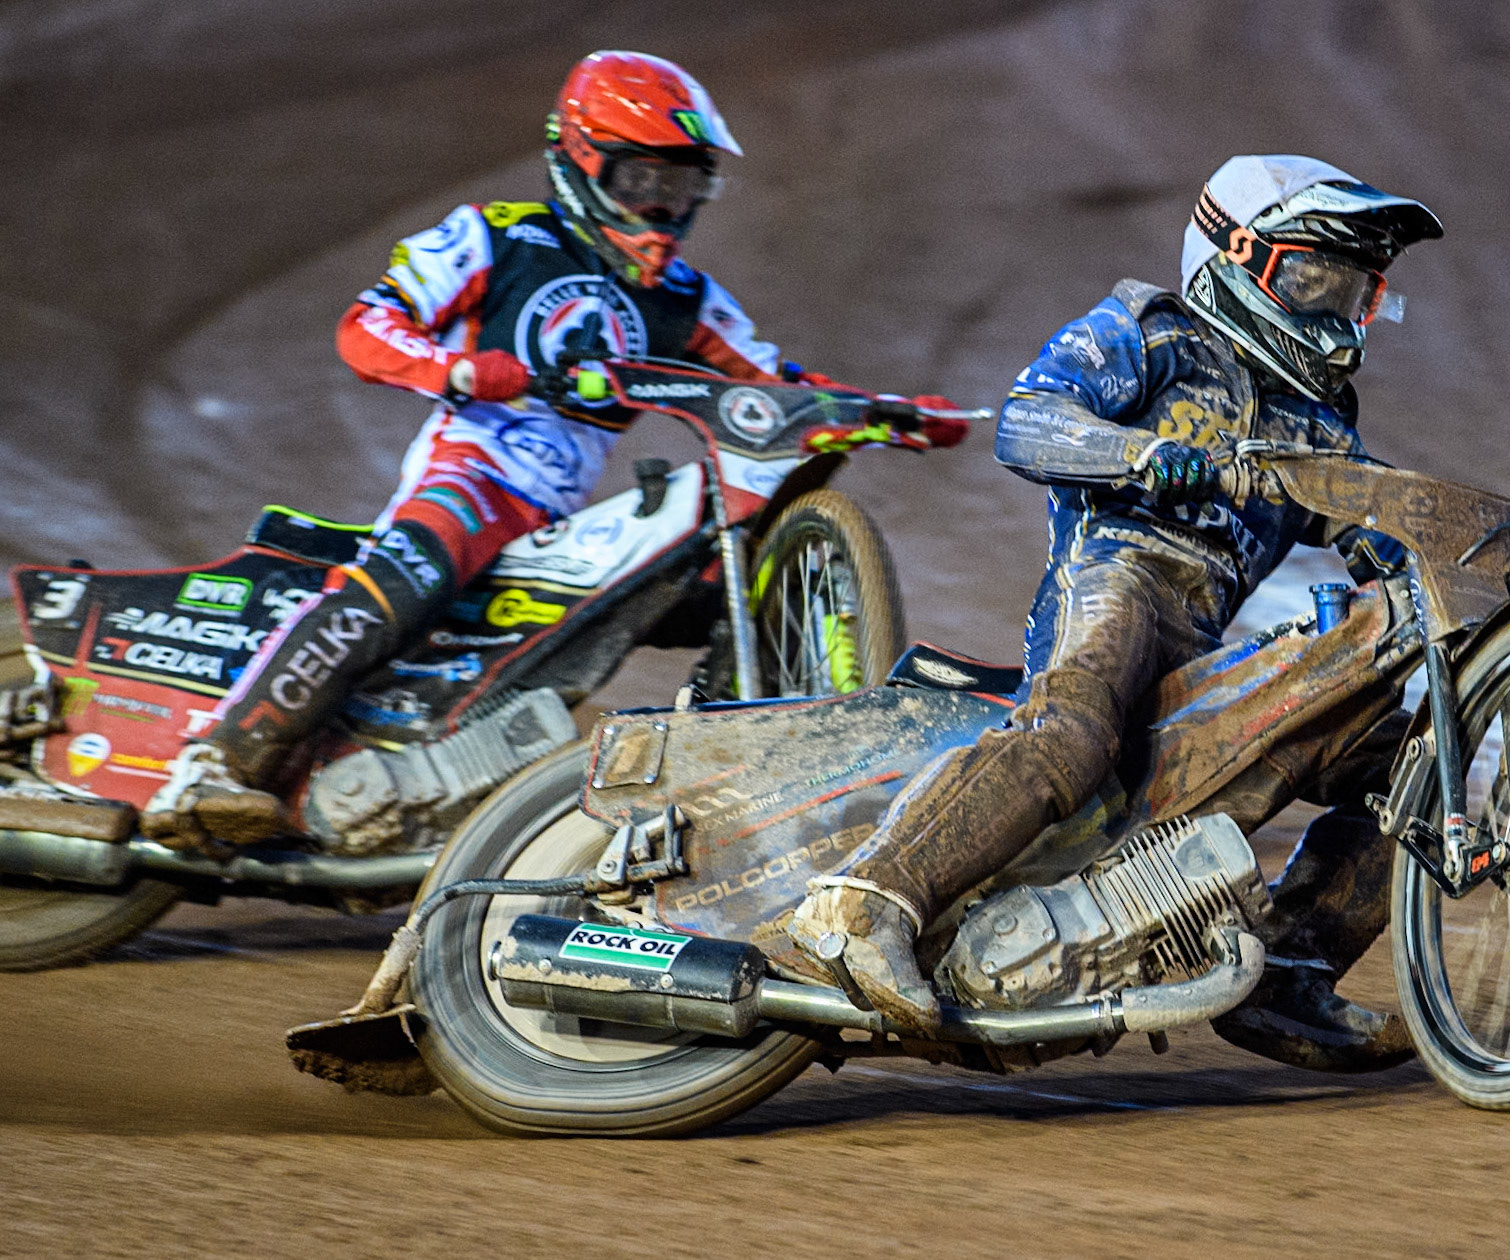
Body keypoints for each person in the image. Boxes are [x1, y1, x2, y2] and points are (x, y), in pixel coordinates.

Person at [142, 50, 962, 849]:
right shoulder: (493, 238)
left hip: (558, 514)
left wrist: (888, 411)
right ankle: (214, 762)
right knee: (406, 577)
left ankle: (720, 794)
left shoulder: (685, 299)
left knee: (716, 587)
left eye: (680, 187)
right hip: (473, 471)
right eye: (640, 181)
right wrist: (462, 368)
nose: (659, 209)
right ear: (580, 162)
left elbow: (776, 383)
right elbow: (365, 331)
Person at [790, 155, 1442, 1073]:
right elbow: (1026, 421)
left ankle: (1290, 969)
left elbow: (1382, 537)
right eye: (1311, 279)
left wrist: (1489, 561)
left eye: (1351, 291)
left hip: (1204, 644)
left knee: (1402, 754)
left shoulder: (1320, 422)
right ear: (1234, 256)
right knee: (1072, 732)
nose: (1332, 312)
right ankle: (863, 903)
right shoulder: (1152, 330)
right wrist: (1136, 452)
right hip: (1116, 576)